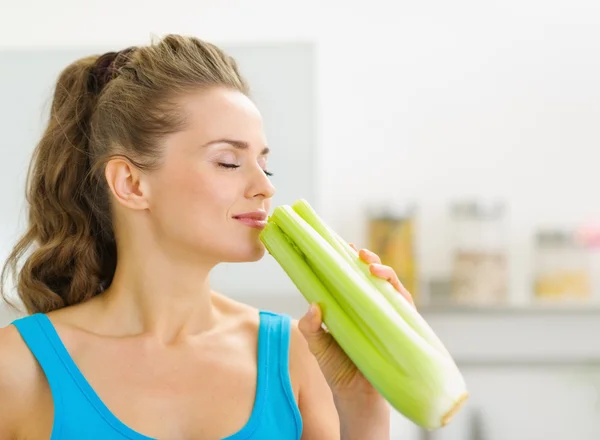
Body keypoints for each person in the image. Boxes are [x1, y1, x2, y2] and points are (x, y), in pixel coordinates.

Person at [0, 34, 414, 440]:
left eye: (264, 165)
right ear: (131, 183)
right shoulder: (17, 368)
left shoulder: (295, 355)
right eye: (228, 162)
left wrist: (364, 402)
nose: (265, 187)